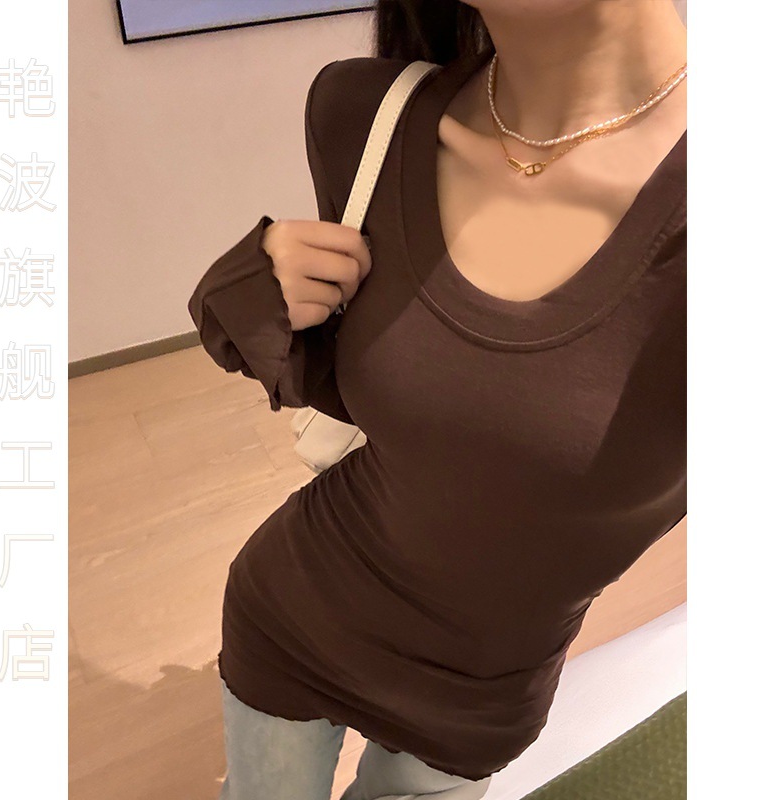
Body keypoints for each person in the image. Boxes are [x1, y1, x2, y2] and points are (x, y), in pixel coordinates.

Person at [187, 1, 688, 798]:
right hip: (295, 620)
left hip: (479, 703)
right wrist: (253, 288)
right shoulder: (369, 116)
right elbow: (397, 394)